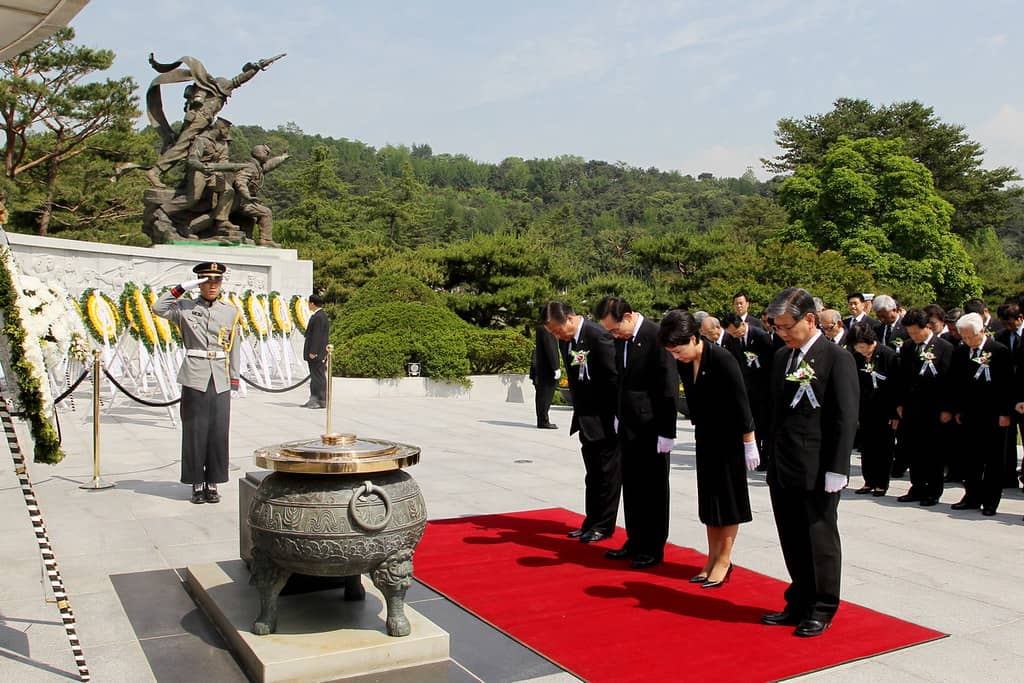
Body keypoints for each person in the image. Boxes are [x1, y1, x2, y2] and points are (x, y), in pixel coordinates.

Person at [760, 288, 858, 637]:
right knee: (791, 536)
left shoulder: (835, 358)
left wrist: (838, 467)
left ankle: (823, 605)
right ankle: (798, 598)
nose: (782, 333)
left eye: (788, 326)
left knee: (819, 538)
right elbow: (775, 411)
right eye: (777, 327)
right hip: (784, 465)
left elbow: (845, 417)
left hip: (818, 467)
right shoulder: (781, 358)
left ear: (810, 320)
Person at [658, 310, 759, 588]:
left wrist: (749, 441)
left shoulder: (722, 358)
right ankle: (711, 557)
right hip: (705, 438)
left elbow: (741, 401)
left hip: (729, 439)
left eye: (678, 350)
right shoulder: (685, 363)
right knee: (710, 501)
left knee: (728, 501)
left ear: (693, 338)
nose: (676, 356)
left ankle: (725, 560)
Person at [595, 297, 678, 570]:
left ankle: (653, 547)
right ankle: (635, 539)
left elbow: (668, 386)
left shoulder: (656, 336)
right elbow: (620, 380)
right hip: (629, 425)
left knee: (652, 489)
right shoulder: (623, 340)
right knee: (631, 486)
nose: (614, 335)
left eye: (615, 329)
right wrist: (619, 414)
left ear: (628, 316)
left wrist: (667, 431)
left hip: (653, 426)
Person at [152, 262, 241, 504]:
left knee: (218, 431)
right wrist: (181, 288)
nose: (212, 285)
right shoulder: (184, 308)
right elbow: (157, 308)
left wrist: (234, 377)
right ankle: (196, 482)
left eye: (216, 281)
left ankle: (213, 481)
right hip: (195, 375)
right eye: (206, 281)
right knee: (195, 431)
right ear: (199, 283)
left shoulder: (230, 311)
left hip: (220, 377)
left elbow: (234, 346)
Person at [542, 302, 620, 544]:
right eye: (552, 332)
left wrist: (618, 415)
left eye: (556, 329)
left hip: (606, 418)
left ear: (570, 318)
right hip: (586, 418)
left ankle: (604, 526)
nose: (556, 335)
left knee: (608, 475)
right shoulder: (568, 341)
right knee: (593, 474)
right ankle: (591, 520)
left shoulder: (598, 336)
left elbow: (613, 378)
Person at [143, 53, 283, 187]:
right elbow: (239, 79)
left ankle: (182, 181)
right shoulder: (218, 90)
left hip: (199, 120)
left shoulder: (207, 92)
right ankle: (155, 171)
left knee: (189, 149)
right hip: (200, 120)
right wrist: (257, 67)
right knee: (181, 147)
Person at [948, 313, 1013, 515]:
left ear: (981, 331)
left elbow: (1007, 384)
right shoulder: (960, 353)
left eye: (970, 337)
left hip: (993, 414)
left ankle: (991, 501)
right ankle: (972, 496)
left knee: (993, 460)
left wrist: (1005, 412)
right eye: (963, 337)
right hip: (969, 414)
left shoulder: (998, 351)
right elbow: (956, 384)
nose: (967, 341)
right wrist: (957, 409)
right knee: (970, 458)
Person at [895, 308, 955, 506]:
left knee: (933, 451)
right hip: (912, 408)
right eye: (909, 333)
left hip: (934, 408)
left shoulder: (944, 348)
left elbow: (949, 382)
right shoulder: (908, 347)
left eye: (915, 332)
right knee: (914, 449)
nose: (912, 336)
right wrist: (900, 403)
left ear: (927, 326)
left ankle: (933, 490)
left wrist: (947, 408)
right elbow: (902, 378)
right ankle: (917, 486)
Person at [848, 322, 900, 496]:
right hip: (865, 409)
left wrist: (894, 413)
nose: (862, 351)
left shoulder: (888, 355)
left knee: (883, 448)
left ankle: (881, 483)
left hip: (885, 409)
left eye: (864, 347)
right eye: (858, 348)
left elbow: (895, 387)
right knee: (867, 447)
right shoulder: (857, 358)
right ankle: (868, 480)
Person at [232, 144, 290, 247]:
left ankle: (248, 238)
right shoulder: (250, 168)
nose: (268, 156)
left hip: (242, 202)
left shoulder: (257, 167)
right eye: (267, 153)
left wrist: (282, 158)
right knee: (266, 213)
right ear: (261, 153)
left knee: (251, 219)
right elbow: (240, 181)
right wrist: (247, 196)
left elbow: (270, 165)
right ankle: (266, 240)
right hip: (241, 203)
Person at [530, 317, 561, 429]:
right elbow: (551, 349)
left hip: (541, 368)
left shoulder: (540, 328)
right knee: (545, 395)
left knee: (541, 395)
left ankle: (542, 419)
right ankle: (543, 420)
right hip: (547, 370)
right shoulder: (547, 329)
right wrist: (556, 367)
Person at [302, 293, 330, 409]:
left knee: (318, 377)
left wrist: (313, 351)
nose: (309, 305)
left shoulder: (319, 317)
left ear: (312, 303)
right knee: (316, 377)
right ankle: (314, 399)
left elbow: (317, 336)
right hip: (317, 352)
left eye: (309, 303)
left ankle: (320, 400)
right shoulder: (320, 315)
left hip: (316, 353)